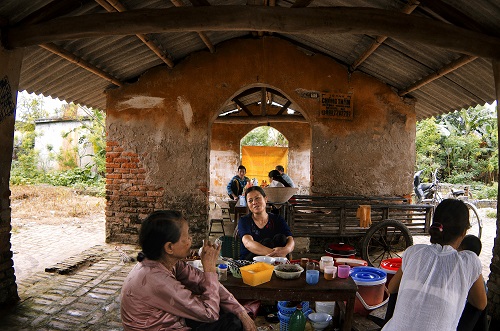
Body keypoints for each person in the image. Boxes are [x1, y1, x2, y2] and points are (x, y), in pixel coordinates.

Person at [121, 210, 256, 331]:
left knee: (229, 311)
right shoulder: (157, 279)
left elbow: (204, 282)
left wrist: (241, 312)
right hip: (166, 326)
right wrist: (209, 268)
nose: (190, 239)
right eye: (186, 236)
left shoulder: (169, 262)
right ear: (169, 247)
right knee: (231, 323)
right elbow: (210, 314)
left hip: (173, 321)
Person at [382, 199, 487, 331]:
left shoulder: (414, 252)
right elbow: (481, 304)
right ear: (464, 233)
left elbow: (391, 288)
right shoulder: (469, 262)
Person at [237, 186, 295, 260]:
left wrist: (287, 249)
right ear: (248, 204)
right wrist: (275, 254)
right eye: (250, 201)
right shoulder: (244, 220)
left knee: (281, 238)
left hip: (275, 262)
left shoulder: (277, 219)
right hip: (251, 261)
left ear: (265, 199)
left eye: (257, 198)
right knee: (267, 242)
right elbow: (248, 243)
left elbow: (290, 239)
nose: (254, 202)